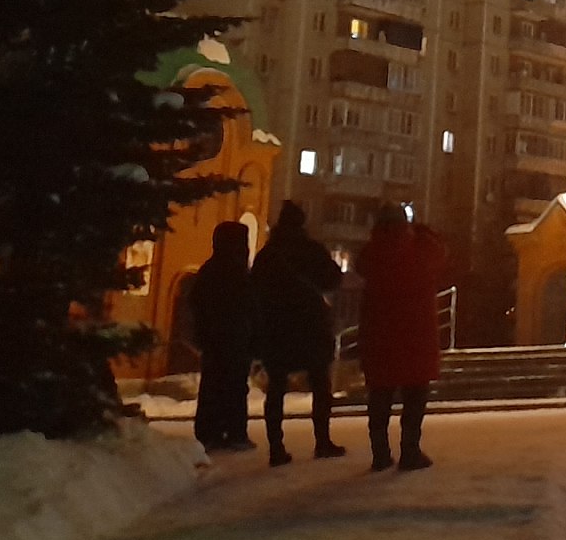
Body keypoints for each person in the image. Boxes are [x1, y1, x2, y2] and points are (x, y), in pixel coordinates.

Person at [254, 201, 347, 465]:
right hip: (310, 327)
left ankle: (276, 447)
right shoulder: (311, 250)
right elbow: (333, 279)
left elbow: (255, 289)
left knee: (276, 388)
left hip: (277, 329)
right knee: (320, 383)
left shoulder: (268, 254)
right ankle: (322, 441)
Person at [357, 204, 447, 472]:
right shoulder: (419, 249)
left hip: (379, 335)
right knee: (415, 396)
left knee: (379, 397)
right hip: (415, 336)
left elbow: (360, 266)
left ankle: (380, 454)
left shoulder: (370, 253)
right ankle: (410, 452)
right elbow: (441, 252)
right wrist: (422, 230)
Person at [188, 219, 256, 453]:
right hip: (234, 339)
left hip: (215, 339)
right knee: (235, 386)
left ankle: (209, 432)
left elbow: (196, 303)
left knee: (213, 385)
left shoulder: (210, 270)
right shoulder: (238, 273)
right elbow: (250, 305)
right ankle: (234, 432)